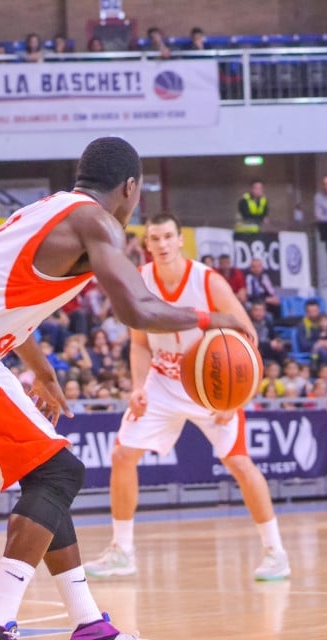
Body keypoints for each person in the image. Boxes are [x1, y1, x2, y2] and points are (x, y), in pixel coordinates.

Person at [0, 136, 254, 639]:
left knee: (47, 475)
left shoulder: (49, 209)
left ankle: (87, 623)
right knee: (59, 474)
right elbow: (136, 311)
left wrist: (43, 369)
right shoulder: (94, 220)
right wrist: (220, 318)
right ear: (130, 188)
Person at [82, 212, 290, 583]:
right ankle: (122, 551)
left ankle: (275, 552)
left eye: (167, 238)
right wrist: (139, 388)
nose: (161, 245)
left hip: (211, 384)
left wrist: (234, 400)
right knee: (122, 454)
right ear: (145, 245)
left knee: (240, 463)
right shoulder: (140, 281)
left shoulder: (208, 282)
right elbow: (139, 344)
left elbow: (247, 335)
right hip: (163, 379)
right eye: (154, 239)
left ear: (180, 241)